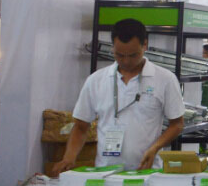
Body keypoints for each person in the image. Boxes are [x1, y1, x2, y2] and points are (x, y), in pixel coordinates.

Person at [49, 18, 185, 175]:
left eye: (133, 55)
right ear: (112, 47)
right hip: (105, 172)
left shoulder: (165, 79)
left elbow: (177, 124)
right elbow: (81, 126)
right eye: (119, 55)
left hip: (147, 172)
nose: (126, 61)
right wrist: (69, 158)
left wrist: (155, 148)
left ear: (145, 45)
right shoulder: (96, 80)